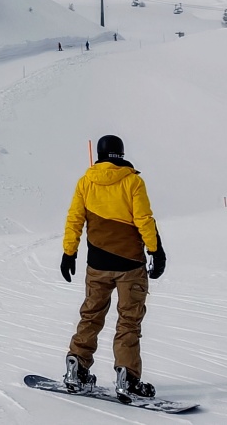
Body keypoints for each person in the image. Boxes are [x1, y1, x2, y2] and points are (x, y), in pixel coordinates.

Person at [59, 134, 166, 403]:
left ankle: (77, 366)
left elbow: (74, 220)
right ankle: (127, 377)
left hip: (97, 264)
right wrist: (155, 250)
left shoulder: (86, 182)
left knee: (91, 314)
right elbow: (143, 219)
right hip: (130, 264)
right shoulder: (132, 181)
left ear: (99, 154)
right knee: (129, 320)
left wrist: (69, 253)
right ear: (121, 153)